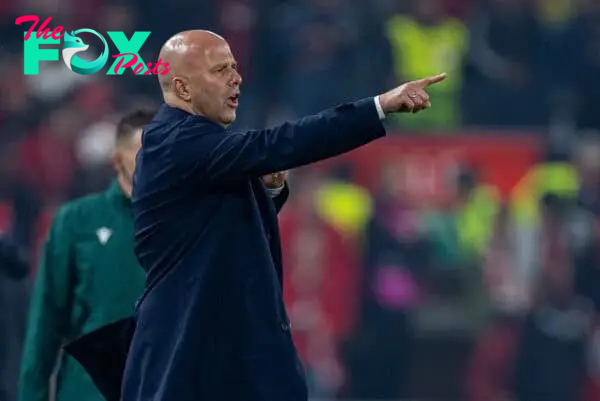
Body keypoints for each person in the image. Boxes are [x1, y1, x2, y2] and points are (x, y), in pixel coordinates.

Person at [65, 30, 446, 401]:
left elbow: (223, 227)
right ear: (183, 89)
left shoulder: (202, 150)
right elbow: (282, 142)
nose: (237, 78)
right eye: (220, 70)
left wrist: (271, 190)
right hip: (192, 352)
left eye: (234, 66)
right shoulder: (176, 142)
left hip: (221, 351)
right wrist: (380, 105)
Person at [17, 110, 155, 401]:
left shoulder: (186, 221)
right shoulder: (76, 221)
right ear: (117, 158)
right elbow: (46, 325)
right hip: (87, 391)